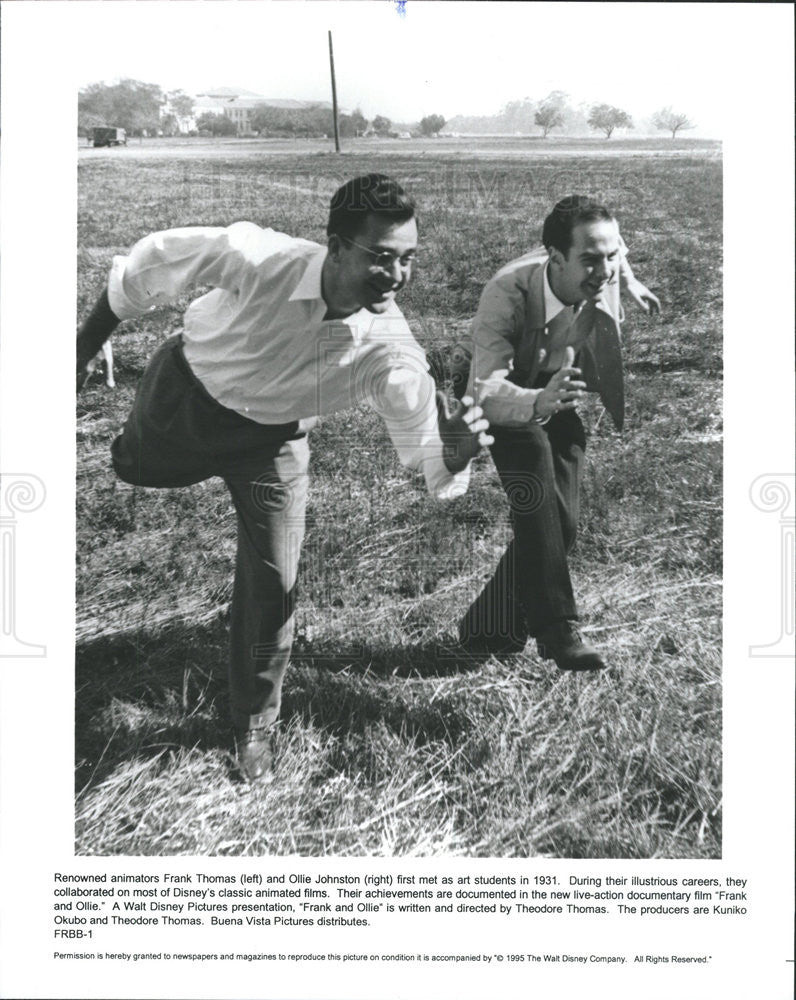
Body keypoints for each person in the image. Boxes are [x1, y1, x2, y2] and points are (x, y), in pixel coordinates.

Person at [76, 173, 492, 781]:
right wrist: (82, 349)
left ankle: (253, 726)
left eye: (407, 260)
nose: (397, 276)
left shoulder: (391, 349)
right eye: (381, 257)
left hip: (272, 443)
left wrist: (452, 454)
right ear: (336, 244)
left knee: (275, 582)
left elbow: (424, 452)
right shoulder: (261, 257)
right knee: (132, 468)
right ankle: (138, 448)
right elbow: (149, 264)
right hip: (188, 394)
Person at [454, 195, 660, 671]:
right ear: (555, 257)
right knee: (538, 500)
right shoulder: (505, 293)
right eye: (590, 260)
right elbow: (484, 389)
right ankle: (556, 629)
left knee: (559, 524)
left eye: (609, 258)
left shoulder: (602, 264)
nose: (603, 270)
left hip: (555, 388)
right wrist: (535, 402)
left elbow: (615, 247)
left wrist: (629, 279)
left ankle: (487, 626)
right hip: (502, 397)